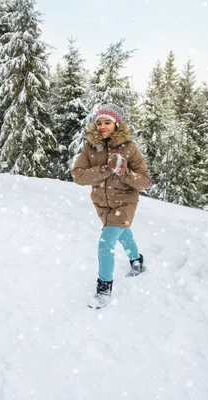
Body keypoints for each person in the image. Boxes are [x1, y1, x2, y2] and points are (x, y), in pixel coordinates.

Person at [72, 104, 151, 309]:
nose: (102, 126)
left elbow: (144, 181)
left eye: (107, 122)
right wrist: (105, 170)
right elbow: (78, 176)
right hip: (102, 204)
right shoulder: (90, 148)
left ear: (117, 124)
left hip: (125, 202)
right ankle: (137, 261)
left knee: (105, 244)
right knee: (123, 232)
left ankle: (104, 289)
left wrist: (124, 173)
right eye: (99, 122)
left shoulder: (129, 148)